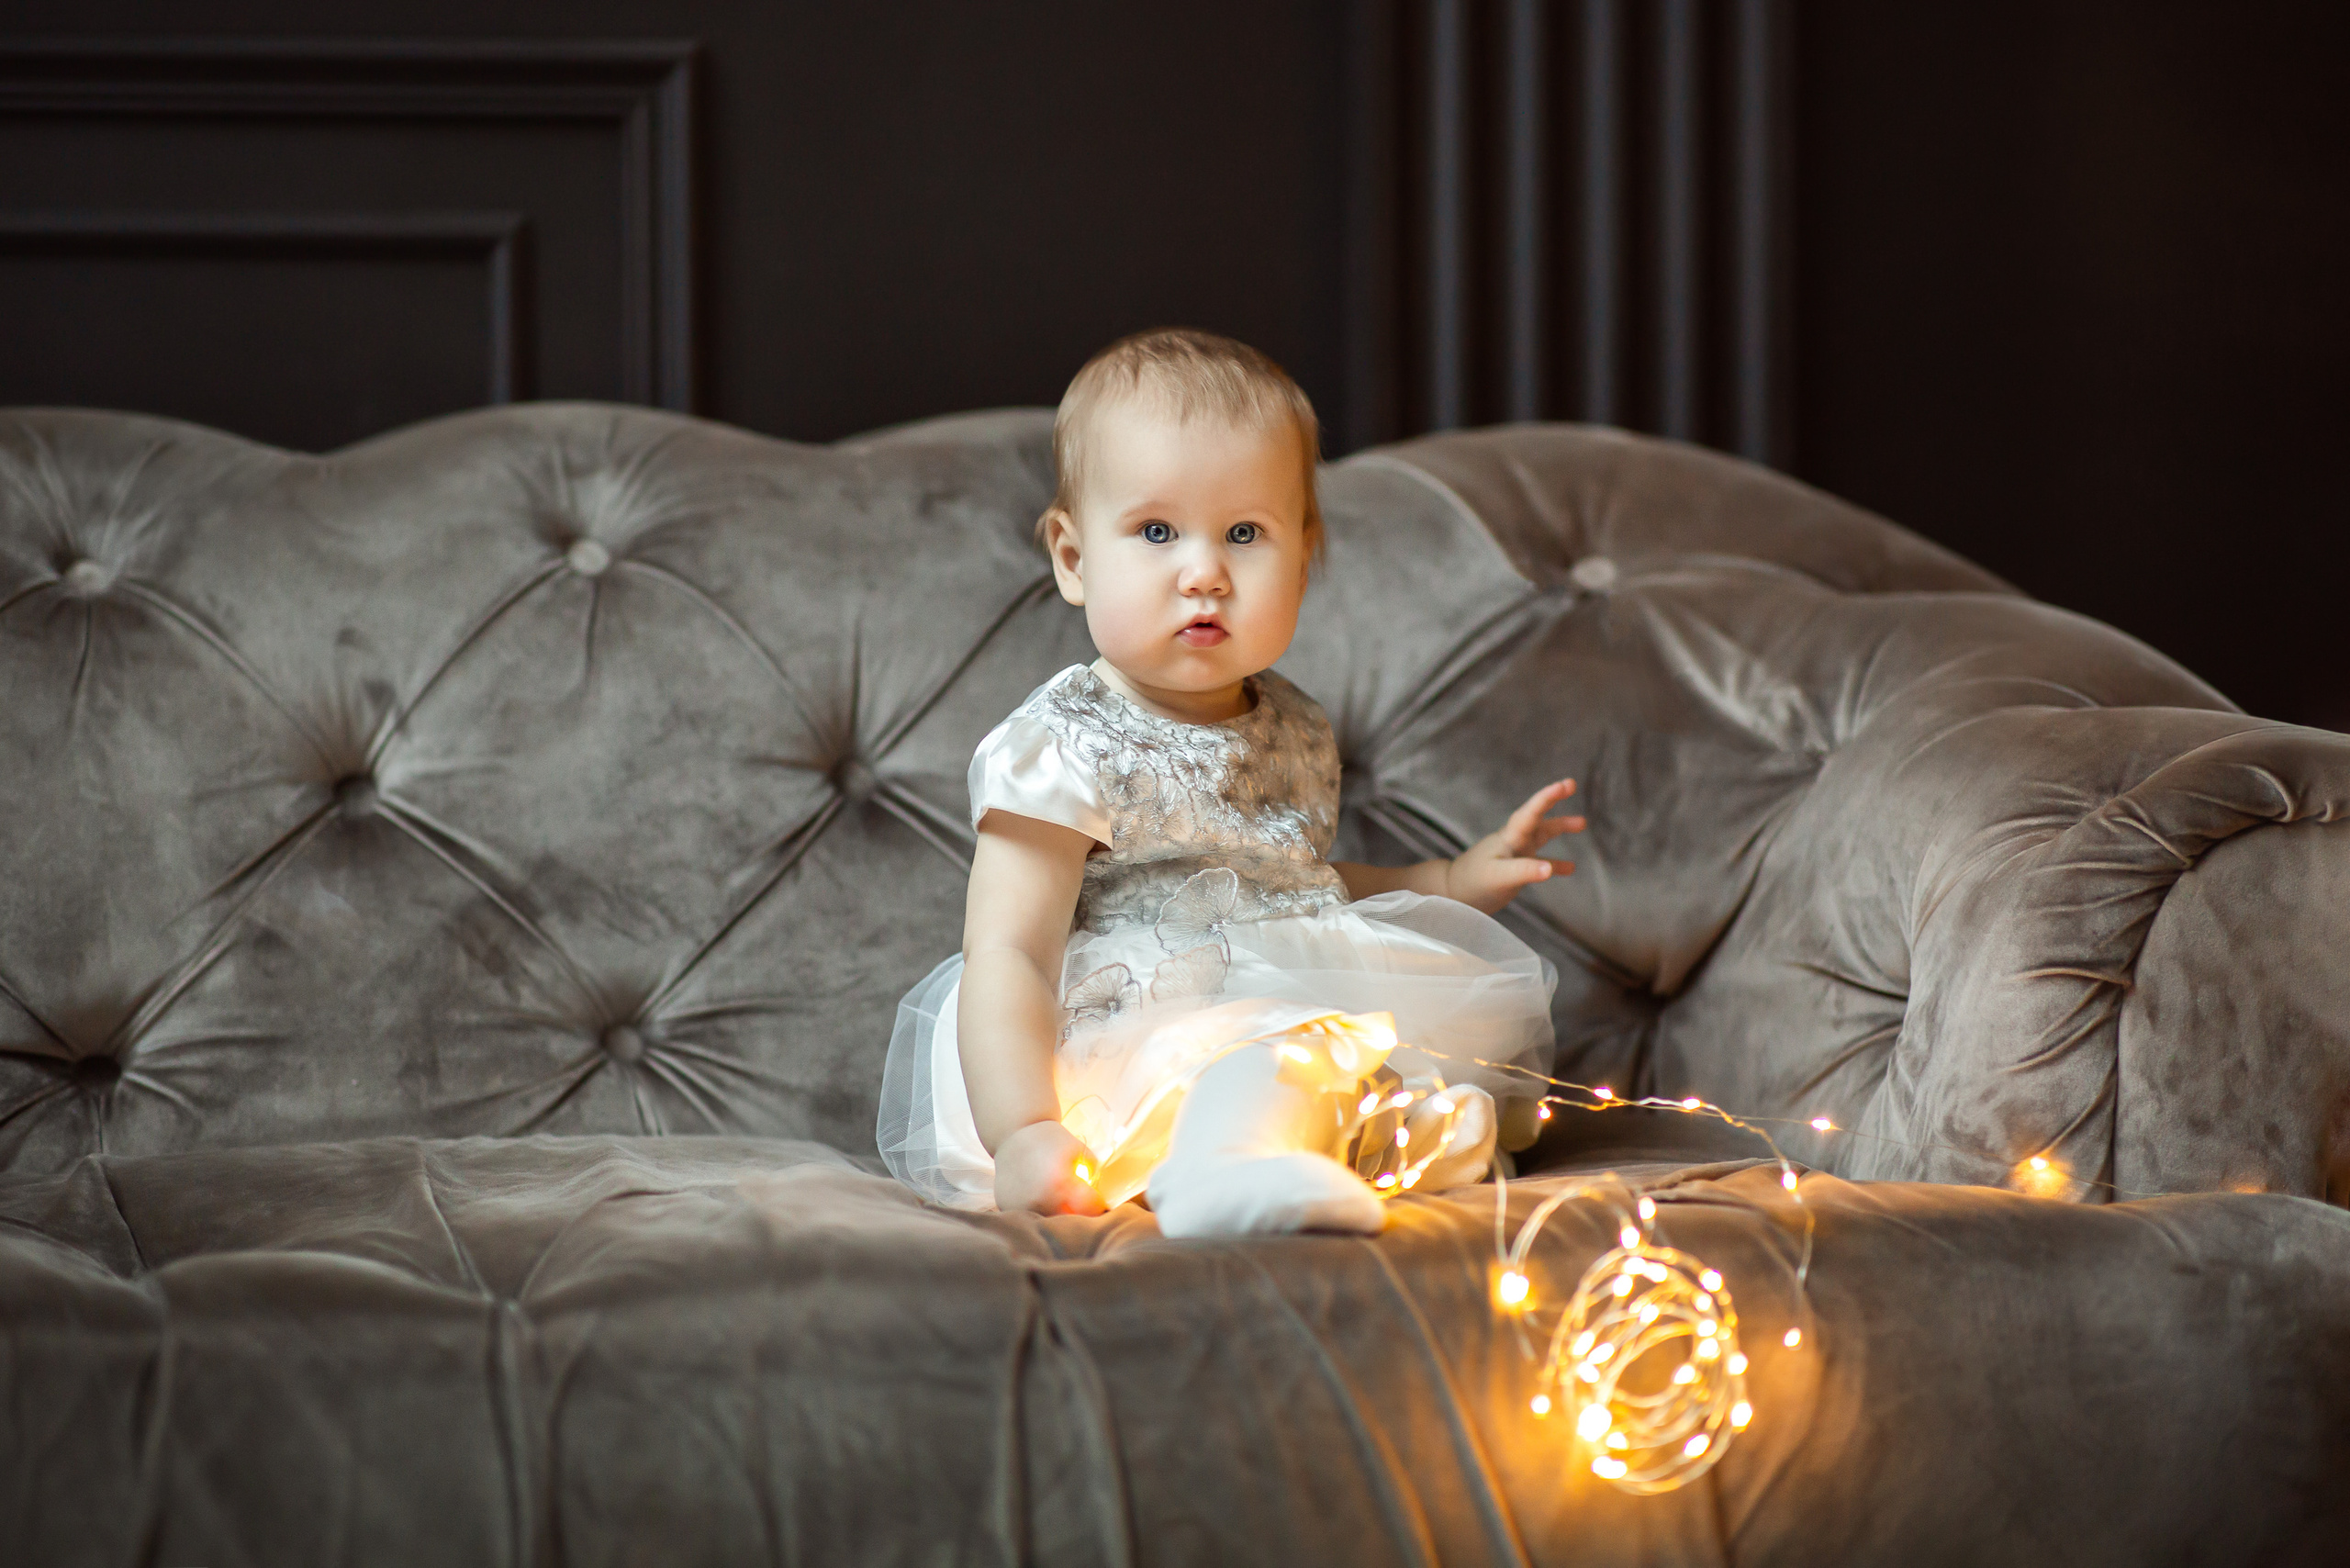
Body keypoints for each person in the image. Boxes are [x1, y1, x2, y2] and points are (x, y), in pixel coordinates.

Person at [877, 328, 1581, 1237]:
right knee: (1286, 1050)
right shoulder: (1062, 743)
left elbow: (1292, 888)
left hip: (1272, 998)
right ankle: (1217, 1166)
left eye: (1244, 533)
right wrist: (1025, 1129)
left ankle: (1329, 1145)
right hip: (1130, 1030)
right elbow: (1008, 950)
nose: (1204, 571)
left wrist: (1448, 880)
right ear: (1073, 558)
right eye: (1157, 531)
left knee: (1421, 1090)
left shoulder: (1292, 725)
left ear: (1303, 554)